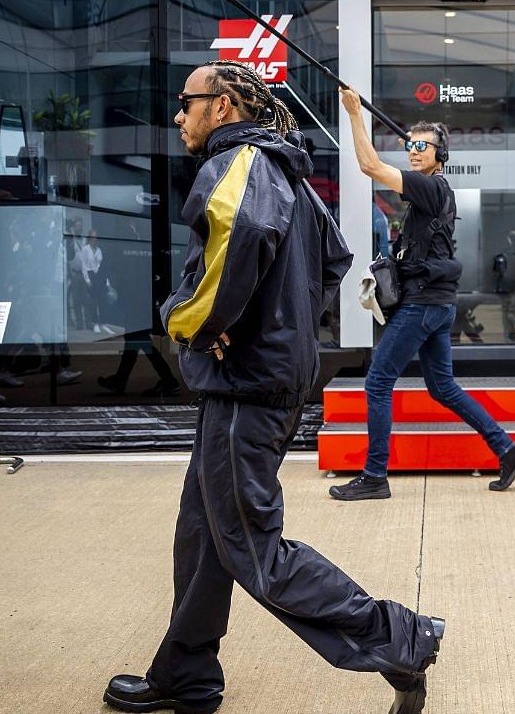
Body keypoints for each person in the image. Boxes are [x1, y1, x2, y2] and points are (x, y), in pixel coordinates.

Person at [102, 60, 443, 714]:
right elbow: (334, 258)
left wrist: (195, 323)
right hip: (252, 385)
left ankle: (399, 637)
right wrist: (273, 322)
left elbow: (244, 236)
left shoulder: (241, 164)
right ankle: (186, 676)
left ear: (223, 105)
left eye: (186, 102)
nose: (178, 115)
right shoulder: (283, 167)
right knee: (203, 538)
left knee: (256, 551)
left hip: (244, 389)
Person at [330, 87, 515, 501]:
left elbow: (370, 165)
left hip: (423, 305)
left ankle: (374, 476)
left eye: (423, 145)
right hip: (437, 305)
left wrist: (354, 113)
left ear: (441, 154)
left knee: (377, 382)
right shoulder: (434, 193)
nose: (414, 150)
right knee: (442, 386)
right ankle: (508, 449)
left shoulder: (429, 187)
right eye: (410, 144)